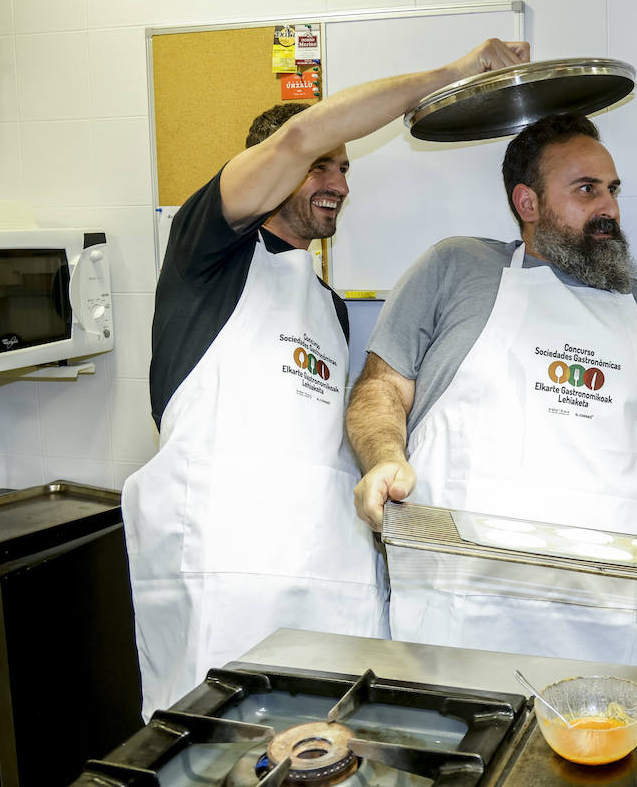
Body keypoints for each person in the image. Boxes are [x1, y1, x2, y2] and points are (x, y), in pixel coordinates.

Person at [121, 39, 530, 717]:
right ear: (273, 170)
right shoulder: (209, 255)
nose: (339, 181)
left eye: (344, 168)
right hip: (226, 570)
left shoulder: (329, 309)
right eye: (320, 165)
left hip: (323, 572)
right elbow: (303, 131)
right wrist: (452, 74)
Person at [346, 112, 637, 669]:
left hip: (609, 619)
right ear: (528, 203)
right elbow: (381, 389)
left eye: (612, 190)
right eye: (586, 189)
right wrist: (383, 460)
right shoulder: (457, 267)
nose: (608, 208)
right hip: (465, 614)